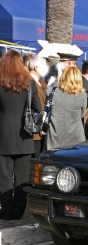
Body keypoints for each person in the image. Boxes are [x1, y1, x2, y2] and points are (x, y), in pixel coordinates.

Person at [0, 50, 42, 220]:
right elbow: (37, 107)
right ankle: (18, 211)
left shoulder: (1, 83)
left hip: (3, 136)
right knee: (22, 178)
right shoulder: (28, 83)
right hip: (25, 136)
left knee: (3, 177)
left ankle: (5, 211)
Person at [44, 67, 87, 151]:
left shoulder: (50, 92)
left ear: (63, 77)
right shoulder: (83, 95)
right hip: (76, 136)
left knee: (52, 162)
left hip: (55, 135)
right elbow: (82, 114)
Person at [28, 55, 49, 158]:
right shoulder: (26, 81)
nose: (47, 69)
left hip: (43, 128)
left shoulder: (43, 83)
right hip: (33, 129)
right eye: (44, 66)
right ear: (36, 67)